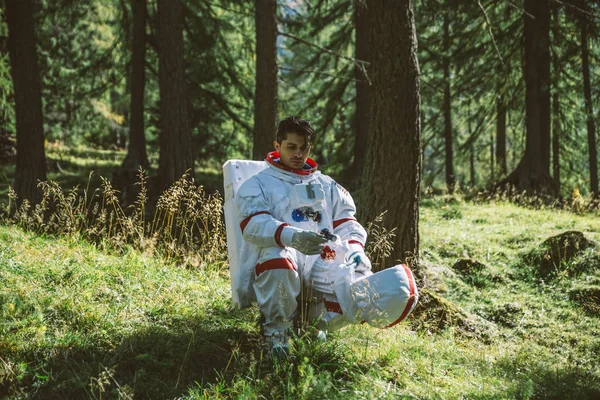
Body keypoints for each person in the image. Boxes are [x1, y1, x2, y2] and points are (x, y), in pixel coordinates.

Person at [235, 116, 417, 356]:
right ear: (277, 146)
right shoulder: (257, 184)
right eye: (292, 147)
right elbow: (253, 224)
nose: (298, 153)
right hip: (284, 251)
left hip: (321, 255)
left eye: (304, 148)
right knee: (278, 262)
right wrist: (291, 236)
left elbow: (347, 222)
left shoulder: (327, 185)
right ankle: (276, 332)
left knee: (355, 279)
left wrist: (354, 249)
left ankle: (314, 325)